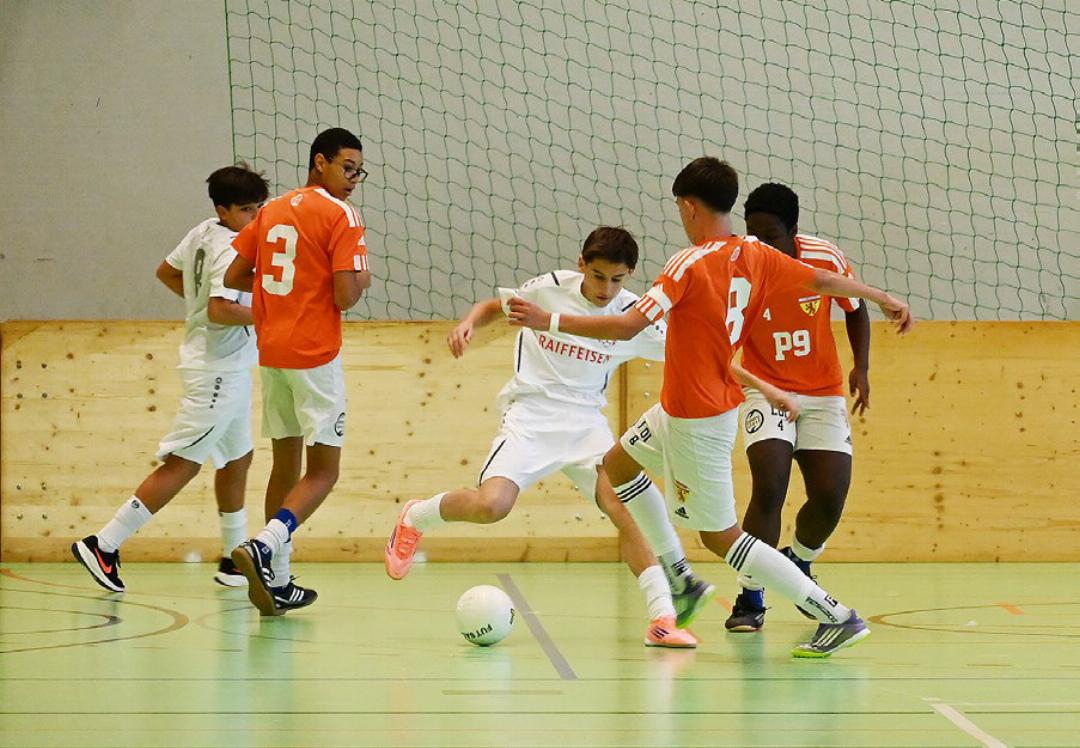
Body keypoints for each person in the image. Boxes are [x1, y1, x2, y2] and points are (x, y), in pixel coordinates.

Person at [507, 157, 913, 658]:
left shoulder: (688, 262)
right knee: (614, 468)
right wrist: (882, 297)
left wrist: (547, 320)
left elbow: (629, 326)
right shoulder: (756, 254)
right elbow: (821, 282)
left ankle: (835, 614)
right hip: (680, 405)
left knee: (721, 538)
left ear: (688, 206)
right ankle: (680, 578)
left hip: (696, 417)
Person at [384, 228, 715, 646]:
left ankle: (662, 617)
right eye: (598, 276)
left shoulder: (634, 317)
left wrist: (757, 383)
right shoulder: (550, 288)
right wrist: (468, 324)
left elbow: (695, 355)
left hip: (586, 425)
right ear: (582, 265)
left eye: (616, 280)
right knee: (491, 506)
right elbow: (494, 307)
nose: (605, 289)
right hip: (532, 415)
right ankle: (416, 516)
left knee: (625, 510)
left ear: (630, 274)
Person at [71, 164, 270, 592]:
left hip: (226, 367)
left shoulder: (202, 231)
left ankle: (234, 560)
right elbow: (220, 309)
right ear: (223, 210)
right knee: (183, 462)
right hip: (217, 372)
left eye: (260, 207)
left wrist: (195, 302)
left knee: (237, 459)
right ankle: (104, 544)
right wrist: (269, 315)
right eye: (247, 210)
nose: (256, 217)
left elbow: (166, 271)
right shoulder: (230, 248)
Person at [224, 127, 371, 616]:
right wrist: (363, 277)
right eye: (347, 168)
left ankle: (280, 580)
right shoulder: (341, 214)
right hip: (315, 355)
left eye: (359, 172)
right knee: (324, 471)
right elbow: (345, 297)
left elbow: (234, 275)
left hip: (272, 353)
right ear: (320, 162)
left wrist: (282, 292)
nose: (353, 179)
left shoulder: (272, 209)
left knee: (284, 465)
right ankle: (264, 546)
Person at [725, 183, 871, 632]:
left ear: (794, 230)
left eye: (770, 235)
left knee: (830, 495)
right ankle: (751, 593)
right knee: (770, 485)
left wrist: (861, 367)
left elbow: (855, 307)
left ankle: (799, 563)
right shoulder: (740, 264)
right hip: (765, 389)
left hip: (822, 392)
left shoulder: (824, 258)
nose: (761, 244)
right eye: (753, 234)